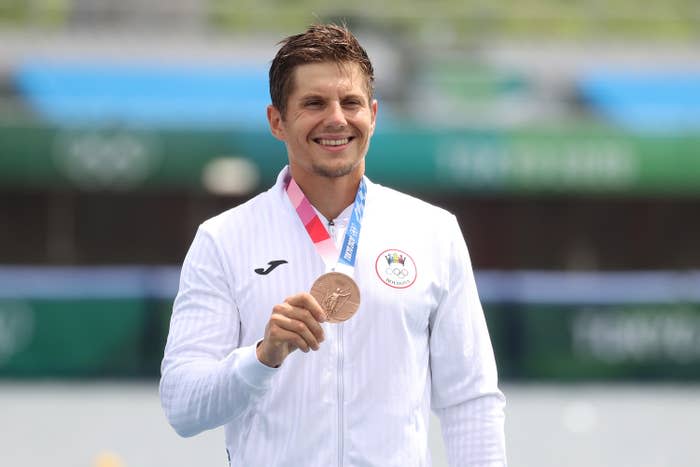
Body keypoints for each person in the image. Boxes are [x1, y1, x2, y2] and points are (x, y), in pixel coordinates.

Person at [160, 23, 507, 466]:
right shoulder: (223, 240)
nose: (337, 119)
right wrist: (260, 358)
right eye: (314, 104)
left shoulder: (433, 231)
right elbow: (182, 407)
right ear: (276, 122)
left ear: (374, 115)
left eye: (351, 102)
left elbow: (470, 401)